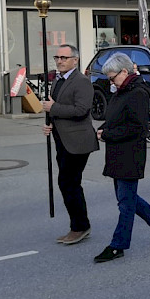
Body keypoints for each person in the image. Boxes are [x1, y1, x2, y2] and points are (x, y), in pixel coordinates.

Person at [93, 53, 150, 263]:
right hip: (117, 153)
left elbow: (138, 128)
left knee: (125, 204)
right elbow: (116, 118)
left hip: (130, 155)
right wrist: (103, 129)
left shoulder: (137, 93)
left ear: (125, 72)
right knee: (126, 199)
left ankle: (117, 246)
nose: (111, 82)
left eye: (112, 78)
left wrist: (108, 134)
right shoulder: (122, 90)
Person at [41, 44, 99, 245]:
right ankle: (79, 225)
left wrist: (54, 108)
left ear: (75, 60)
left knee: (68, 183)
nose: (59, 61)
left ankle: (80, 226)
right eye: (57, 57)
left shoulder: (82, 81)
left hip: (78, 141)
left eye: (64, 58)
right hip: (62, 139)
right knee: (68, 183)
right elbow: (53, 107)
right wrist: (49, 124)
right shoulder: (57, 80)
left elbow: (81, 110)